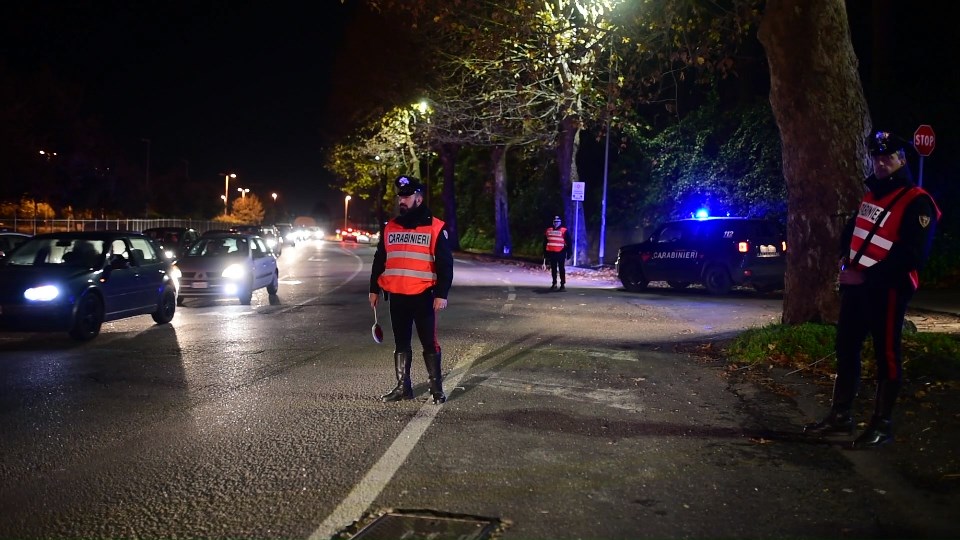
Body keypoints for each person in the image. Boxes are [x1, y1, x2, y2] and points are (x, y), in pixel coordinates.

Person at [804, 130, 940, 449]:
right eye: (877, 158)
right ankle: (841, 416)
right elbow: (852, 231)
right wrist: (844, 262)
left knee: (887, 354)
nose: (881, 163)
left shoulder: (917, 201)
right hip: (857, 288)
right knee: (846, 347)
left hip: (888, 290)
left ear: (901, 160)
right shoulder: (872, 195)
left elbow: (912, 255)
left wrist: (865, 278)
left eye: (888, 158)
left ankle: (883, 425)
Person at [369, 175, 454, 404]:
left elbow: (445, 263)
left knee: (429, 343)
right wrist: (373, 289)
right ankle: (403, 388)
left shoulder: (435, 227)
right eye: (400, 197)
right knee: (401, 344)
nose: (402, 201)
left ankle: (436, 389)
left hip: (424, 297)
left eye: (407, 197)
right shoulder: (391, 227)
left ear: (419, 197)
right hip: (397, 297)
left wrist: (442, 294)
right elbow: (380, 259)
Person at [543, 215, 572, 291]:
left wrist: (568, 253)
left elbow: (569, 242)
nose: (556, 223)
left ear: (560, 222)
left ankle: (562, 284)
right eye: (555, 222)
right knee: (553, 269)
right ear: (553, 222)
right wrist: (545, 253)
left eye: (557, 222)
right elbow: (545, 242)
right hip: (552, 253)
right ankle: (554, 283)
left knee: (561, 269)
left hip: (561, 252)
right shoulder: (548, 230)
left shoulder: (564, 230)